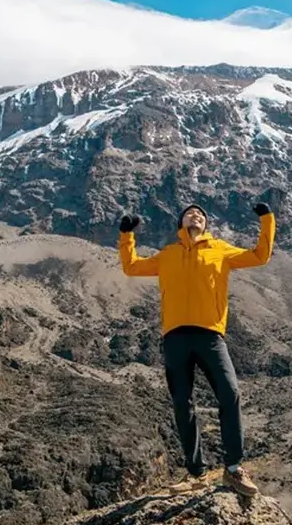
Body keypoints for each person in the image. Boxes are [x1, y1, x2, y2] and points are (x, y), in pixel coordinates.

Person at [117, 201, 275, 497]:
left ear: (207, 224)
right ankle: (196, 474)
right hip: (175, 337)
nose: (196, 215)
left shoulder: (220, 250)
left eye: (201, 214)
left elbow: (260, 256)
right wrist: (127, 235)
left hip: (210, 335)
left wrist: (266, 219)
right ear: (181, 223)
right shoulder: (169, 254)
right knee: (182, 403)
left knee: (229, 393)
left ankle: (233, 469)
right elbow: (131, 267)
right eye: (191, 213)